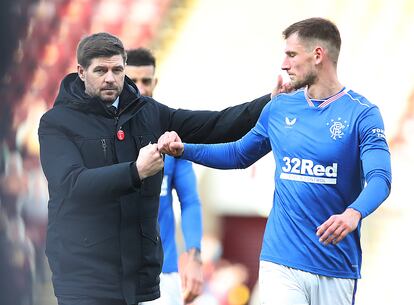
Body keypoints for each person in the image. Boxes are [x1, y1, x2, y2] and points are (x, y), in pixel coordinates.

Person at [38, 32, 287, 305]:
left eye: (117, 70)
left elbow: (213, 125)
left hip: (141, 278)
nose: (110, 78)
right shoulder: (56, 123)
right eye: (101, 70)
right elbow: (72, 185)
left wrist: (268, 102)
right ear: (81, 72)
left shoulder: (149, 112)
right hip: (84, 277)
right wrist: (135, 172)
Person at [158, 17, 392, 305]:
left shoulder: (362, 114)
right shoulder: (279, 107)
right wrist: (185, 150)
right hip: (281, 260)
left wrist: (353, 213)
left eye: (291, 54)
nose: (284, 64)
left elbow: (380, 179)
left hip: (335, 264)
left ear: (317, 55)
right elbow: (238, 154)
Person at [125, 48, 203, 305]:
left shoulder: (171, 138)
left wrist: (193, 254)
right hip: (113, 275)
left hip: (162, 274)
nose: (140, 88)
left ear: (155, 82)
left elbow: (190, 200)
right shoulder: (103, 137)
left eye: (146, 81)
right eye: (132, 81)